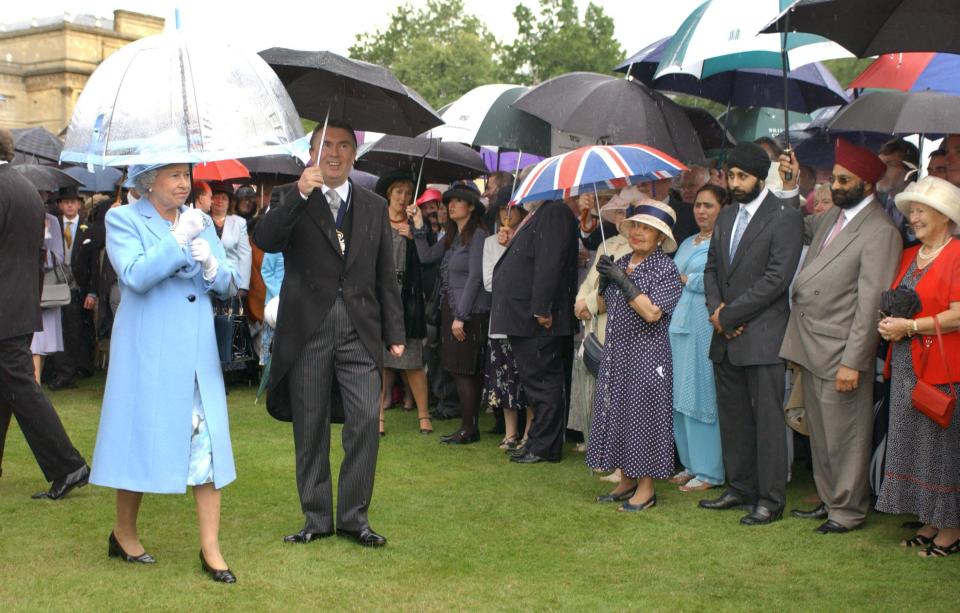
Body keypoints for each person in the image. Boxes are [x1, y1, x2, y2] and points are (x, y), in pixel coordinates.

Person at [253, 120, 404, 548]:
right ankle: (315, 517)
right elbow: (265, 237)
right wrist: (300, 194)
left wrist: (394, 329)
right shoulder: (291, 196)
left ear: (355, 155)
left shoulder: (374, 206)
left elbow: (384, 276)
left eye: (342, 146)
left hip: (361, 330)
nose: (333, 154)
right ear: (311, 152)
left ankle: (355, 519)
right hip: (307, 329)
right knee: (311, 424)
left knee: (362, 422)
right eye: (325, 146)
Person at [90, 163, 238, 582]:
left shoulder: (201, 219)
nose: (182, 183)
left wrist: (210, 263)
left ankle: (211, 548)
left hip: (196, 349)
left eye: (184, 174)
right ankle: (123, 533)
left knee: (206, 440)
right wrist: (176, 240)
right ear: (147, 181)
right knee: (140, 434)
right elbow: (134, 276)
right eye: (171, 174)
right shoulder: (122, 218)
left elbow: (228, 283)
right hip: (148, 347)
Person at [780, 138, 903, 534]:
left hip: (841, 351)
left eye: (843, 180)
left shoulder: (880, 231)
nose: (834, 186)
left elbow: (871, 306)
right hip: (812, 342)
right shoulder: (835, 217)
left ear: (867, 184)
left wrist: (854, 360)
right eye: (833, 178)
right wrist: (788, 186)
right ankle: (831, 500)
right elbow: (795, 226)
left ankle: (847, 510)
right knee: (822, 435)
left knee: (845, 436)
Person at [699, 142, 804, 525]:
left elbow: (777, 279)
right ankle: (739, 487)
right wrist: (716, 312)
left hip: (762, 336)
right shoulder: (726, 216)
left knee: (766, 423)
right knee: (734, 419)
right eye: (731, 175)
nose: (735, 182)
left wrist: (730, 314)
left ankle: (770, 499)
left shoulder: (784, 216)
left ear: (761, 177)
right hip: (725, 336)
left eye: (742, 176)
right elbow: (711, 269)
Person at [0, 128, 89, 495]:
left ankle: (69, 465)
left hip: (6, 307)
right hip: (19, 302)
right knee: (9, 389)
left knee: (22, 389)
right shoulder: (27, 191)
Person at [876, 176, 960, 558]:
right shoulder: (911, 255)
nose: (913, 217)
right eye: (911, 211)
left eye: (921, 211)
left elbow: (958, 314)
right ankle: (930, 518)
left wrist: (910, 326)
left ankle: (952, 528)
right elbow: (903, 301)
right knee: (914, 444)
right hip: (908, 362)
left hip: (943, 365)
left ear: (944, 216)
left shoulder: (956, 253)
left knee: (941, 447)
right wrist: (889, 322)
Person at [586, 203, 683, 511]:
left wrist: (623, 281)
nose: (640, 233)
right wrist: (605, 280)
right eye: (636, 227)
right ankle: (626, 479)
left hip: (648, 354)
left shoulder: (665, 268)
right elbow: (603, 306)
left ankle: (647, 488)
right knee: (619, 414)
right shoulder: (623, 260)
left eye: (648, 229)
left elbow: (653, 313)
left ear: (659, 238)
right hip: (617, 352)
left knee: (645, 418)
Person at [490, 194, 578, 464]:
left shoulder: (554, 212)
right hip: (524, 316)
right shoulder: (540, 214)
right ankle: (538, 442)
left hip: (537, 318)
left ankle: (544, 447)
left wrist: (542, 306)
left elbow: (549, 263)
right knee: (536, 383)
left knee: (544, 383)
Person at [411, 182, 490, 444]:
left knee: (464, 370)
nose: (451, 205)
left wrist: (461, 315)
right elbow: (426, 257)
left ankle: (469, 428)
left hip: (468, 312)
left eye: (457, 201)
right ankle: (469, 426)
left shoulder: (477, 234)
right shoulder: (452, 234)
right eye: (450, 201)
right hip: (451, 309)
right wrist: (419, 225)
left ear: (471, 207)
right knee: (458, 369)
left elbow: (476, 277)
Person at [669, 184, 728, 493]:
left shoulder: (725, 241)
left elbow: (717, 280)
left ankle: (710, 471)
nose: (701, 211)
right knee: (679, 396)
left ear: (722, 209)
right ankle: (690, 463)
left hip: (704, 323)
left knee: (701, 395)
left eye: (709, 205)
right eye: (698, 205)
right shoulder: (688, 242)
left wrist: (685, 280)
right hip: (678, 324)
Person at [569, 188, 637, 449]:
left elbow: (618, 292)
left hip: (618, 326)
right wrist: (580, 302)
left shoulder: (638, 249)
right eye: (618, 212)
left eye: (627, 212)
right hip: (594, 329)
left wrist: (588, 304)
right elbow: (589, 282)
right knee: (596, 389)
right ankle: (598, 443)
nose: (622, 218)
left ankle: (616, 450)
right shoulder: (605, 245)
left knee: (618, 392)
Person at [375, 170, 432, 436]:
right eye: (399, 191)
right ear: (389, 194)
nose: (403, 197)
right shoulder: (375, 219)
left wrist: (415, 235)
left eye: (408, 193)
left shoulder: (416, 223)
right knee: (378, 359)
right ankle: (377, 418)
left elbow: (429, 259)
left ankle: (424, 416)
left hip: (407, 299)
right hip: (378, 296)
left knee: (412, 359)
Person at [482, 203, 529, 449]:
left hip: (525, 320)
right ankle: (511, 434)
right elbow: (489, 282)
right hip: (500, 320)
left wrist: (513, 246)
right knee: (505, 380)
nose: (507, 215)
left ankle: (529, 433)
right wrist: (503, 248)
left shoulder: (527, 237)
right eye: (503, 209)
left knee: (527, 378)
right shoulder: (490, 243)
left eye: (513, 209)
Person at [47, 186, 98, 389]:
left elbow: (95, 263)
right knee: (56, 328)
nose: (69, 205)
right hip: (55, 285)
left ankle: (73, 370)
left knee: (74, 330)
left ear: (79, 204)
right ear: (59, 205)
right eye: (65, 201)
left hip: (79, 288)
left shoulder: (90, 229)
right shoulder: (52, 226)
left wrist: (93, 292)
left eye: (73, 201)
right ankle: (59, 371)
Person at [31, 212, 66, 383]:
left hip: (47, 288)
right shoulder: (18, 216)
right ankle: (34, 389)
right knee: (33, 346)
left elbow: (59, 257)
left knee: (42, 347)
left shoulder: (52, 221)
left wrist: (43, 244)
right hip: (25, 288)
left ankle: (34, 389)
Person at [209, 183, 252, 297]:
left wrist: (243, 286)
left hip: (232, 281)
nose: (220, 201)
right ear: (211, 200)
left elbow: (245, 255)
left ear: (229, 203)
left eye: (224, 198)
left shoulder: (239, 222)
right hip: (208, 281)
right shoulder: (202, 220)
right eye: (216, 197)